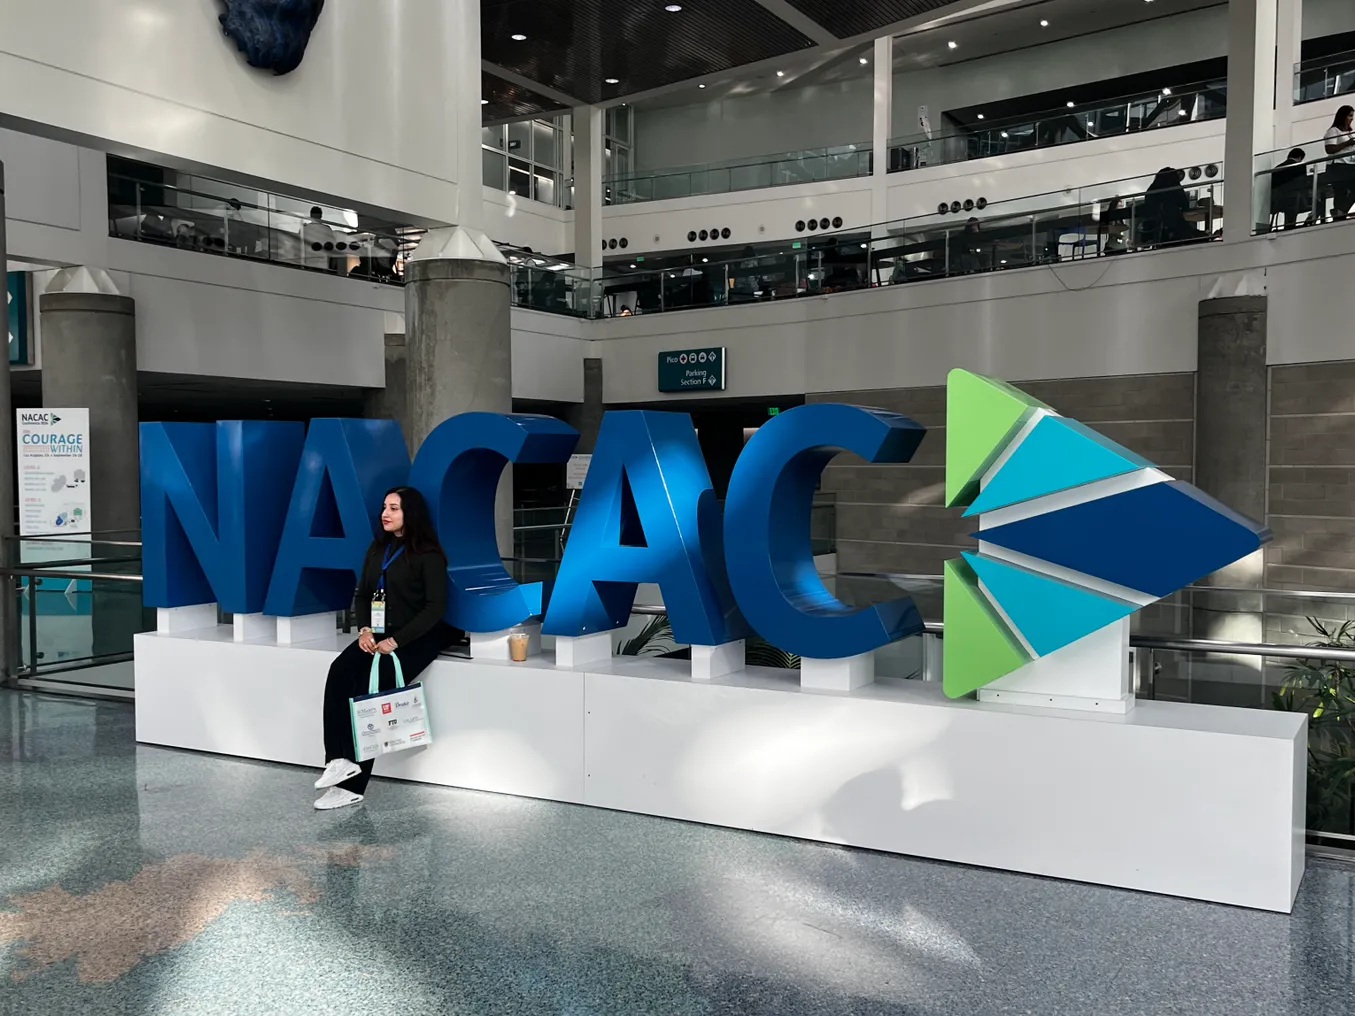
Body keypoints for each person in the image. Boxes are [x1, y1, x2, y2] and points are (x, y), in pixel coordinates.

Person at [313, 486, 454, 810]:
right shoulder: (378, 549)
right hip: (377, 632)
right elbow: (363, 595)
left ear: (410, 514)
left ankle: (352, 786)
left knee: (367, 689)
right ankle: (338, 760)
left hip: (418, 636)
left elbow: (434, 608)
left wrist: (397, 640)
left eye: (394, 508)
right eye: (384, 507)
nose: (385, 514)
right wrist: (364, 629)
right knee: (339, 672)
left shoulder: (428, 555)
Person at [1141, 168, 1198, 246]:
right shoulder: (1174, 188)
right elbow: (1185, 205)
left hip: (1153, 230)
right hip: (1173, 228)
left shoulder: (1152, 190)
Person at [1324, 106, 1355, 220]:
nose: (1352, 118)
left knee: (1346, 191)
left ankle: (1340, 211)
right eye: (1350, 115)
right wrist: (1347, 143)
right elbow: (1329, 149)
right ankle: (1339, 213)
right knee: (1340, 191)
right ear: (1343, 116)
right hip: (1338, 165)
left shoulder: (1350, 132)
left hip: (1350, 164)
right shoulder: (1334, 131)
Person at [1271, 149, 1311, 229]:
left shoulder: (1277, 168)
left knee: (1290, 202)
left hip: (1276, 199)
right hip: (1294, 198)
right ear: (1300, 157)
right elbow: (1303, 183)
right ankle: (1310, 221)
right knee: (1318, 203)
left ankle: (1288, 226)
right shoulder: (1300, 166)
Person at [300, 205, 337, 271]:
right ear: (321, 216)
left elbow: (298, 243)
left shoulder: (304, 229)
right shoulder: (327, 229)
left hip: (308, 262)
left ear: (311, 215)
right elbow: (333, 246)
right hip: (323, 263)